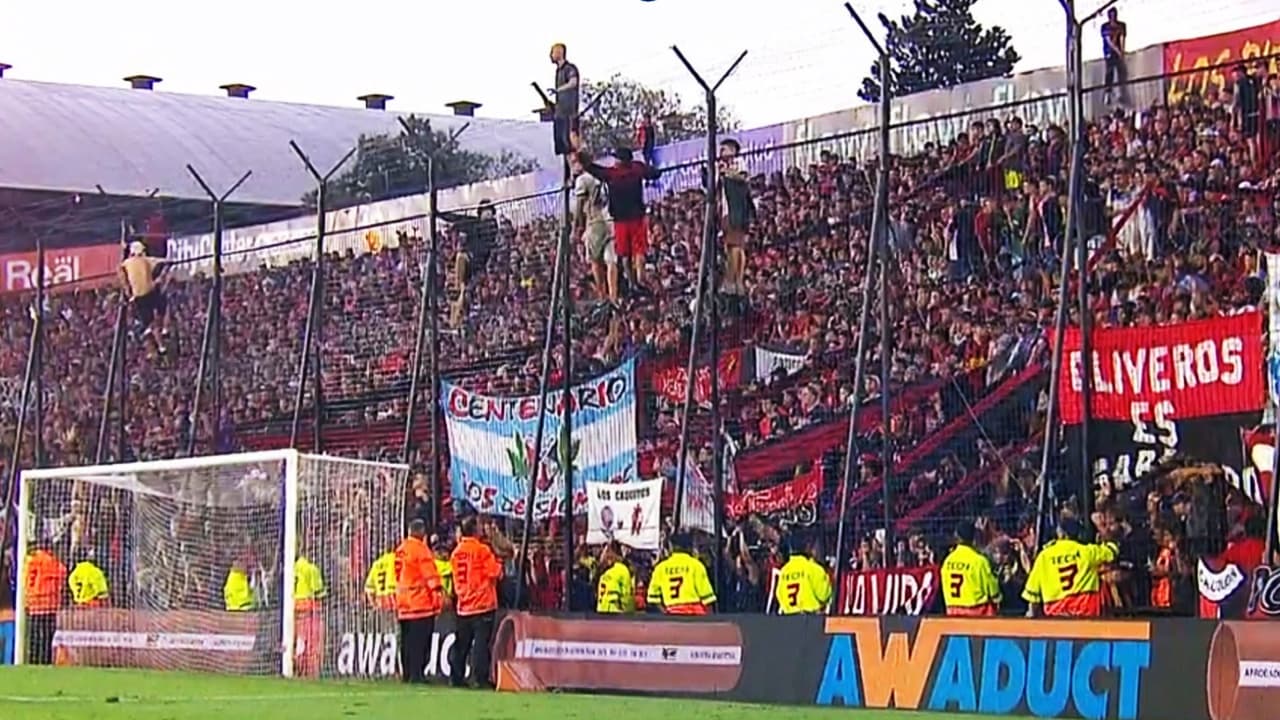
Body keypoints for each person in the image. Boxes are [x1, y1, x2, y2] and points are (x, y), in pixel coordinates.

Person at [578, 147, 661, 296]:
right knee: (639, 251)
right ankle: (640, 280)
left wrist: (582, 158)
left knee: (625, 254)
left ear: (620, 160)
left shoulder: (613, 174)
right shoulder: (637, 168)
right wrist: (653, 171)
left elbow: (594, 169)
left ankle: (633, 283)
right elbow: (655, 173)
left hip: (621, 220)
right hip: (637, 217)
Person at [449, 516, 510, 688]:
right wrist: (499, 560)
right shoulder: (481, 550)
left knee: (462, 644)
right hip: (482, 603)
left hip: (463, 604)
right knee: (481, 644)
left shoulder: (456, 552)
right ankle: (480, 678)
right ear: (475, 530)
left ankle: (456, 677)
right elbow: (496, 573)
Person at [1023, 517, 1118, 617]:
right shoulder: (1087, 552)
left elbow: (1032, 596)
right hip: (1086, 616)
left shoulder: (1044, 557)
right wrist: (1103, 530)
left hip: (1056, 618)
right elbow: (1113, 550)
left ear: (1060, 533)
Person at [395, 518, 446, 684]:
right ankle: (417, 675)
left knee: (407, 642)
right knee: (420, 641)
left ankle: (407, 673)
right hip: (419, 603)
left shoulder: (401, 549)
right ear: (421, 532)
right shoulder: (421, 550)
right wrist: (438, 595)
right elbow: (430, 575)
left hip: (403, 602)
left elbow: (397, 575)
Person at [441, 200, 499, 327]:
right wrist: (441, 215)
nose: (487, 214)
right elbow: (458, 219)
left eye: (489, 211)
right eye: (485, 211)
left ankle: (458, 313)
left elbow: (462, 221)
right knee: (461, 291)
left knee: (461, 261)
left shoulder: (490, 226)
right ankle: (455, 319)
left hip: (478, 265)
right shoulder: (474, 224)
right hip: (471, 264)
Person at [571, 152, 619, 304]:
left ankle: (602, 295)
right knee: (611, 260)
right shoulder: (603, 174)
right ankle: (614, 295)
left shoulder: (583, 179)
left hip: (595, 222)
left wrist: (576, 227)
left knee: (595, 260)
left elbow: (579, 206)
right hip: (611, 218)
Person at [714, 138, 755, 297]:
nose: (721, 153)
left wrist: (727, 173)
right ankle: (732, 279)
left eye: (723, 149)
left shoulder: (738, 162)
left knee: (737, 246)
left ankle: (736, 279)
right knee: (730, 247)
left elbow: (743, 178)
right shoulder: (719, 166)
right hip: (725, 211)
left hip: (736, 211)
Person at [940, 521, 1002, 616]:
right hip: (977, 611)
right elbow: (993, 591)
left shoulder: (947, 561)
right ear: (974, 538)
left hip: (953, 611)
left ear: (957, 537)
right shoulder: (979, 561)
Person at [118, 240, 169, 354]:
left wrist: (122, 250)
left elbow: (120, 267)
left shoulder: (127, 263)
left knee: (151, 319)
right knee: (162, 306)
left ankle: (159, 341)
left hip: (139, 296)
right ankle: (160, 334)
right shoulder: (146, 260)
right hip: (149, 292)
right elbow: (161, 261)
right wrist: (166, 264)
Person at [647, 533, 716, 615]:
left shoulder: (660, 568)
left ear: (671, 547)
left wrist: (666, 613)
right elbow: (708, 598)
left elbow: (653, 598)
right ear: (689, 547)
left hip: (672, 611)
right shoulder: (695, 565)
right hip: (695, 613)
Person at [23, 538, 67, 664]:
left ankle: (34, 661)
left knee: (35, 637)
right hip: (51, 606)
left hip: (36, 605)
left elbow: (28, 581)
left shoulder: (34, 561)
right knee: (48, 638)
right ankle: (46, 662)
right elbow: (62, 582)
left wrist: (27, 601)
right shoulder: (58, 565)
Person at [774, 535, 833, 615]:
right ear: (808, 547)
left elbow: (779, 595)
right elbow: (825, 595)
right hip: (811, 618)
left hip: (789, 618)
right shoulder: (813, 568)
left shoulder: (784, 571)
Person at [293, 549, 326, 677]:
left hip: (295, 610)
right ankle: (311, 672)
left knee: (299, 641)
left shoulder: (293, 567)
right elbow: (319, 593)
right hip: (309, 611)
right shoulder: (311, 569)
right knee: (312, 644)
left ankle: (297, 668)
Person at [549, 43, 580, 155]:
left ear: (559, 52)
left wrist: (558, 90)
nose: (551, 55)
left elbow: (573, 82)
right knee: (561, 146)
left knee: (570, 144)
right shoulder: (558, 71)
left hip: (569, 113)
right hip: (560, 112)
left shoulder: (569, 68)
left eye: (552, 52)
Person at [595, 541, 635, 614]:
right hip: (612, 612)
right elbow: (627, 595)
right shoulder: (620, 569)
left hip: (606, 611)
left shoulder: (605, 571)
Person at [1100, 8, 1127, 105]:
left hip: (1118, 52)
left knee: (1121, 71)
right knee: (1109, 72)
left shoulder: (1121, 25)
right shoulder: (1105, 27)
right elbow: (1109, 41)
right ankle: (1108, 93)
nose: (1113, 17)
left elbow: (1122, 38)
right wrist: (1118, 51)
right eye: (1111, 15)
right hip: (1109, 52)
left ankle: (1121, 92)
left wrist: (1122, 51)